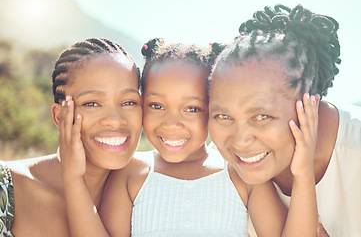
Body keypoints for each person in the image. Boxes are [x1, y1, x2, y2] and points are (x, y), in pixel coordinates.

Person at [61, 37, 321, 237]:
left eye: (192, 109)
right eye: (157, 106)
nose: (172, 123)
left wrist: (303, 175)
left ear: (214, 110)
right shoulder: (130, 175)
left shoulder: (240, 176)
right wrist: (73, 179)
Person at [208, 4, 361, 236]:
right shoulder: (216, 170)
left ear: (309, 104)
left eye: (262, 116)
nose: (240, 140)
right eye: (223, 116)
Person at [0, 37, 142, 237]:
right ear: (59, 116)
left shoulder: (149, 195)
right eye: (92, 103)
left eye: (129, 102)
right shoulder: (5, 189)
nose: (115, 121)